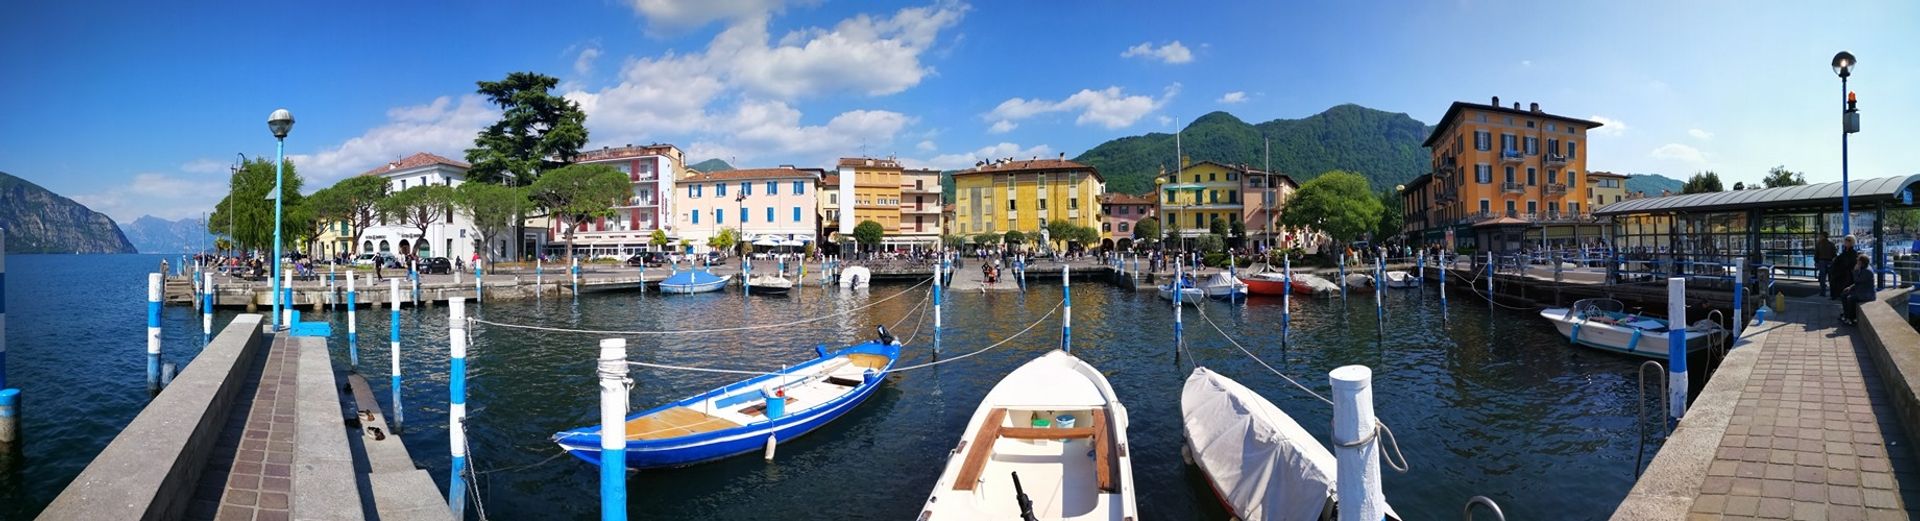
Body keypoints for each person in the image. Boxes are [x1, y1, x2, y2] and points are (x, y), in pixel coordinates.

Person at [1841, 253, 1874, 325]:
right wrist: (1850, 287)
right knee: (1844, 294)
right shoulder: (1863, 268)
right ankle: (1846, 315)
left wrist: (1855, 271)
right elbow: (1858, 282)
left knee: (1850, 298)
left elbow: (1857, 280)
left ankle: (1851, 318)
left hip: (1867, 294)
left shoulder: (1867, 271)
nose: (1857, 263)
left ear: (1861, 262)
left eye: (1858, 261)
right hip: (1862, 290)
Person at [1829, 235, 1858, 302]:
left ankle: (1839, 296)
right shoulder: (1846, 251)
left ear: (1851, 242)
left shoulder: (1852, 253)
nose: (1845, 242)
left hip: (1846, 274)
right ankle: (1837, 295)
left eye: (1846, 241)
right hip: (1842, 272)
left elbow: (1849, 263)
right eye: (1845, 240)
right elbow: (1840, 259)